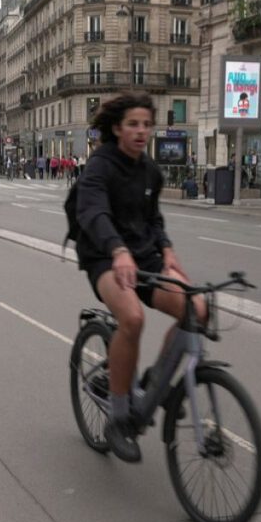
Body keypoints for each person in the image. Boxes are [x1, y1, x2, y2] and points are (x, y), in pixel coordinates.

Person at [75, 91, 205, 463]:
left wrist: (167, 250)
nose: (141, 131)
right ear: (117, 128)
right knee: (132, 318)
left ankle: (155, 383)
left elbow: (153, 219)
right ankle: (118, 418)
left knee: (197, 309)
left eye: (146, 125)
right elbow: (93, 213)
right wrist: (117, 251)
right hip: (103, 256)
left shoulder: (150, 171)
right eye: (133, 124)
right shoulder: (100, 165)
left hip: (144, 257)